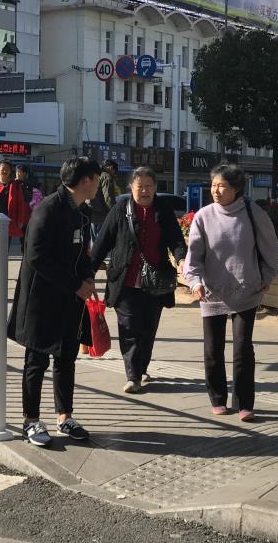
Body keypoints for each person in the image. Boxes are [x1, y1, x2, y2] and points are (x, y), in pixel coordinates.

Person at [8, 156, 101, 447]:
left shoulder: (81, 211)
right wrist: (75, 285)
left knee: (66, 357)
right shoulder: (48, 209)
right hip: (41, 300)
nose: (98, 185)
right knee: (36, 361)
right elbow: (36, 256)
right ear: (85, 180)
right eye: (97, 179)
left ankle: (64, 417)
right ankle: (30, 421)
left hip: (69, 299)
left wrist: (87, 278)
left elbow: (83, 252)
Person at [183, 164, 278, 422]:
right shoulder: (203, 216)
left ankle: (244, 403)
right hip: (212, 291)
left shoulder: (252, 212)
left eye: (222, 186)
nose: (216, 191)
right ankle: (217, 398)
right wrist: (194, 282)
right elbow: (194, 255)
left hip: (246, 289)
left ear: (236, 189)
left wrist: (268, 276)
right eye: (213, 185)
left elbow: (269, 246)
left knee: (242, 348)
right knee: (213, 349)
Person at [90, 167, 187, 393]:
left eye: (149, 186)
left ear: (155, 188)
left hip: (155, 282)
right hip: (125, 281)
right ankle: (133, 376)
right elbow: (102, 242)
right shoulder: (120, 209)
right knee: (129, 327)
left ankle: (141, 367)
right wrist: (89, 273)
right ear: (131, 188)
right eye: (140, 186)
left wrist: (181, 258)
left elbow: (175, 239)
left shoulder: (163, 209)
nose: (144, 191)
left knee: (148, 329)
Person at [14, 165, 44, 249]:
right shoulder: (12, 184)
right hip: (14, 215)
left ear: (24, 173)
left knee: (24, 239)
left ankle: (25, 253)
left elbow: (31, 200)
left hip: (26, 215)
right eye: (16, 172)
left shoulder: (29, 185)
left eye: (19, 172)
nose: (17, 174)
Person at [89, 159, 118, 243]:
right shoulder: (107, 177)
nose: (114, 174)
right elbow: (108, 198)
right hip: (101, 214)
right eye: (114, 172)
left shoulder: (94, 174)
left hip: (91, 213)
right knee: (101, 241)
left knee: (93, 241)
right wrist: (114, 214)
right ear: (111, 168)